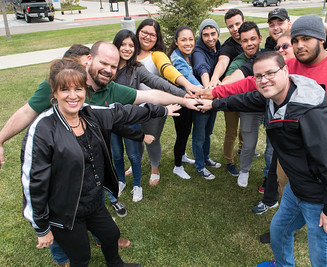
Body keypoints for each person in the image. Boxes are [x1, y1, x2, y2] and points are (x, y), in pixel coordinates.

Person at [198, 51, 327, 266]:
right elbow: (245, 99)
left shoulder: (309, 112)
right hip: (296, 187)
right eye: (258, 76)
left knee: (323, 260)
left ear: (286, 71)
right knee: (279, 231)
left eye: (270, 73)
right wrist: (214, 104)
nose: (264, 80)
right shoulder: (273, 97)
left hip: (321, 195)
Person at [21, 58, 180, 266]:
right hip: (66, 211)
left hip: (93, 201)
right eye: (64, 89)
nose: (72, 95)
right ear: (54, 92)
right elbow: (33, 182)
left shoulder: (89, 113)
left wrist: (162, 110)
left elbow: (124, 112)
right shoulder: (42, 130)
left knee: (110, 235)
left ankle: (116, 264)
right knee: (81, 257)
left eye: (78, 88)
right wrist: (41, 228)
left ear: (85, 90)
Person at [253, 14, 327, 220]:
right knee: (286, 189)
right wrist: (215, 94)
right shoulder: (290, 67)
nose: (299, 46)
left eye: (306, 39)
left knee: (320, 205)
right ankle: (289, 223)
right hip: (292, 150)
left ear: (322, 39)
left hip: (324, 154)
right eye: (295, 40)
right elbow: (250, 84)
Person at [111, 29, 189, 201]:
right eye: (123, 44)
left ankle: (137, 185)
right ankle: (121, 181)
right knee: (116, 154)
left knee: (133, 153)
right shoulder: (109, 68)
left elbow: (158, 82)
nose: (127, 48)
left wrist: (183, 94)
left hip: (130, 118)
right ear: (115, 45)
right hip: (111, 120)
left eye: (131, 45)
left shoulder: (137, 68)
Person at [136, 18, 200, 185]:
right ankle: (135, 162)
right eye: (145, 32)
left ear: (158, 38)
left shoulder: (157, 55)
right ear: (138, 32)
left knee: (153, 137)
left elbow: (167, 69)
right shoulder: (129, 53)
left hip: (155, 106)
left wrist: (187, 84)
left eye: (153, 35)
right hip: (132, 105)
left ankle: (154, 168)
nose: (148, 37)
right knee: (134, 137)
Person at [223, 21, 265, 187]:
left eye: (253, 39)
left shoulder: (266, 55)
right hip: (239, 104)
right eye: (245, 41)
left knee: (247, 133)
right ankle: (231, 162)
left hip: (259, 104)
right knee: (234, 133)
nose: (250, 44)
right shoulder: (238, 63)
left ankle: (243, 151)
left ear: (260, 38)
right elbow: (227, 82)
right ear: (240, 42)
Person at [207, 9, 246, 177]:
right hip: (230, 96)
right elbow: (223, 61)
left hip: (248, 95)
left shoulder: (251, 39)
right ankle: (229, 160)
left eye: (238, 24)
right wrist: (215, 77)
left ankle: (242, 149)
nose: (235, 28)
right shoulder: (229, 46)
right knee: (231, 130)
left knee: (246, 127)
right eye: (230, 26)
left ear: (244, 21)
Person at [167, 26, 201, 179]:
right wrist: (208, 92)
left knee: (185, 131)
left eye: (191, 39)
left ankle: (182, 155)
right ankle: (177, 166)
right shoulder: (178, 60)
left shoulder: (186, 55)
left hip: (187, 99)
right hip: (181, 102)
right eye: (183, 40)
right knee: (182, 133)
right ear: (176, 41)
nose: (188, 43)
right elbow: (191, 82)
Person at [191, 19, 223, 179]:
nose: (210, 38)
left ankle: (206, 157)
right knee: (199, 134)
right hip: (201, 98)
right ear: (201, 36)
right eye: (205, 35)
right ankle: (200, 166)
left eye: (213, 34)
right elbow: (202, 68)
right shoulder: (198, 51)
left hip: (213, 98)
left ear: (217, 32)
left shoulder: (219, 48)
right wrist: (207, 91)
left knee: (208, 132)